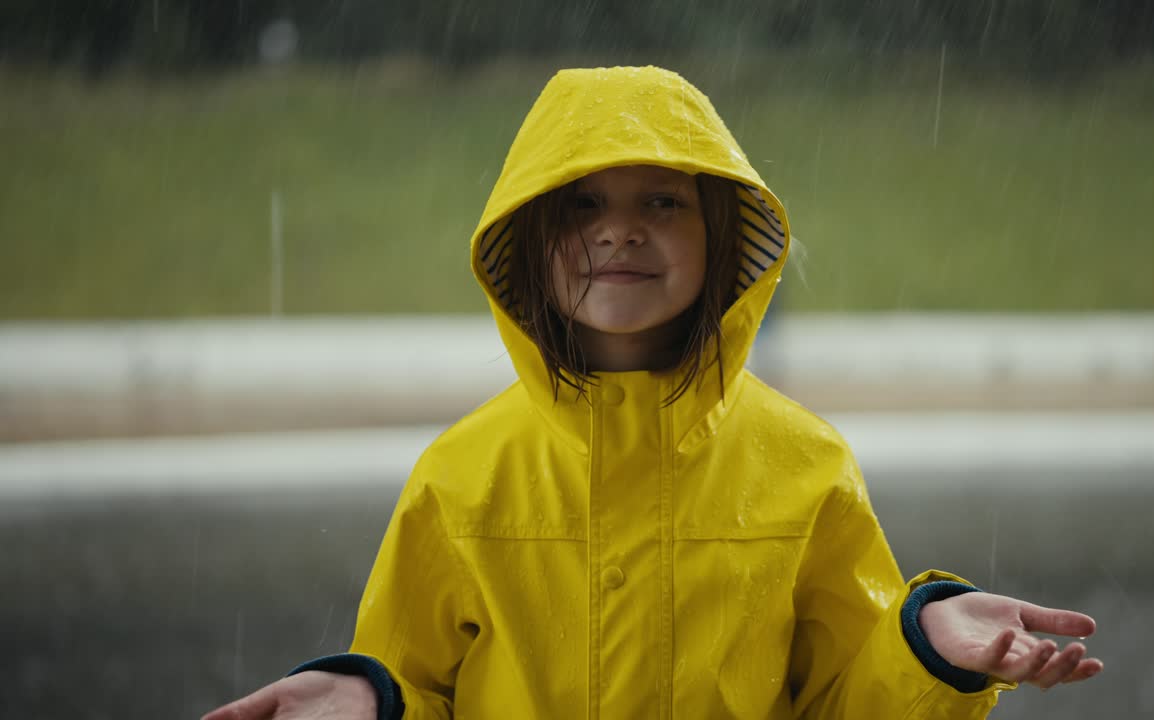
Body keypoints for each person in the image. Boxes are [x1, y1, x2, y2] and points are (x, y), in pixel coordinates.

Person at [203, 65, 1102, 720]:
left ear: (721, 233)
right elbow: (419, 688)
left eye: (662, 202)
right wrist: (373, 702)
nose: (621, 231)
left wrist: (924, 651)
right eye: (582, 205)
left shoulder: (806, 466)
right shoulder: (461, 478)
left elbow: (840, 704)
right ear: (527, 239)